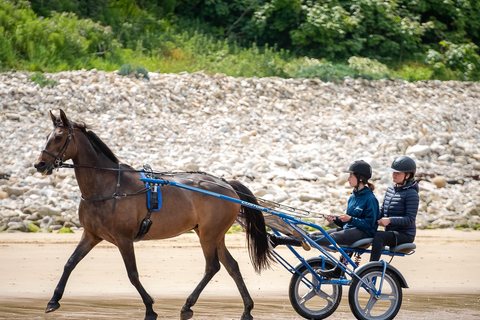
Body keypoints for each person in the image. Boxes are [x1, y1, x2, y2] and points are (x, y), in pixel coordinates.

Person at [269, 160, 380, 277]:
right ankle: (280, 240)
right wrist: (336, 220)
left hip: (364, 234)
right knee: (318, 234)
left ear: (361, 179)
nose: (348, 179)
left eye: (351, 176)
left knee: (330, 237)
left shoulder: (370, 199)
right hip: (351, 230)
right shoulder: (353, 197)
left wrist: (350, 219)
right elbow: (347, 224)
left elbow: (370, 224)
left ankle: (280, 240)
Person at [369, 156, 419, 262]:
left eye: (398, 173)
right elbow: (383, 211)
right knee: (362, 232)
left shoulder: (412, 194)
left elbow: (410, 219)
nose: (394, 175)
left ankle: (372, 267)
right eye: (394, 172)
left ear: (408, 175)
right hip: (391, 232)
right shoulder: (390, 190)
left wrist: (390, 220)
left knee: (379, 236)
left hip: (405, 235)